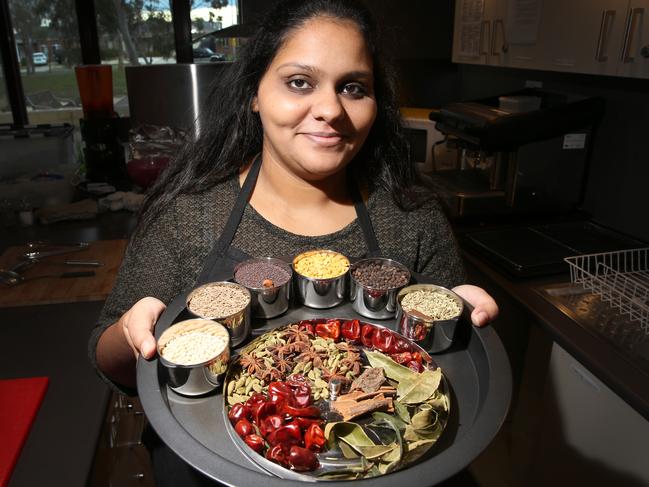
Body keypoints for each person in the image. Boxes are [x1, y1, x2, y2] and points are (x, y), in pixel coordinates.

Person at [89, 0, 498, 484]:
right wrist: (134, 336)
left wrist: (465, 324)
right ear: (255, 94)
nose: (329, 109)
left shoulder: (413, 219)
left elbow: (447, 369)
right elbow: (110, 360)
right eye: (299, 82)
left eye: (353, 87)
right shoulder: (189, 216)